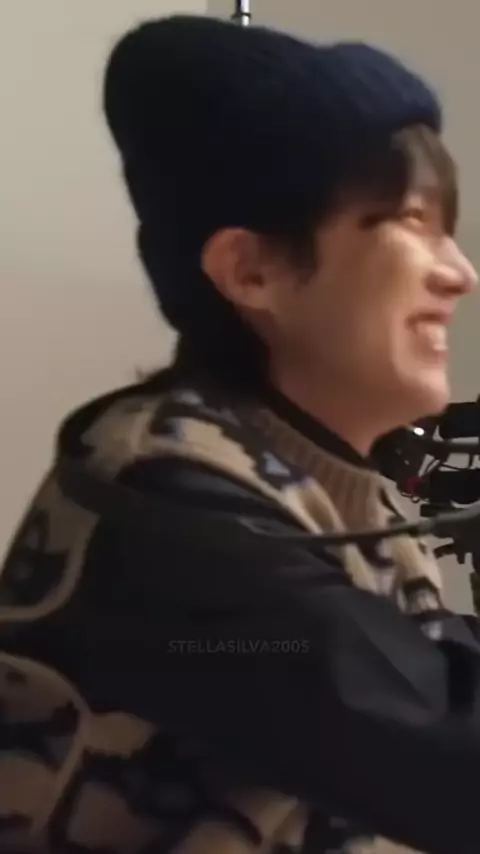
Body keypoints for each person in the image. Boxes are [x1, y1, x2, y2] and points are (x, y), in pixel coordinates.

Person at [1, 14, 479, 854]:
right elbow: (448, 761)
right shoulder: (164, 498)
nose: (460, 274)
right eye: (410, 221)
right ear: (251, 271)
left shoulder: (351, 499)